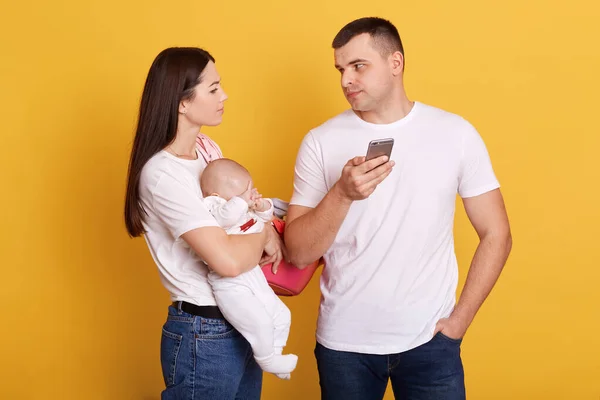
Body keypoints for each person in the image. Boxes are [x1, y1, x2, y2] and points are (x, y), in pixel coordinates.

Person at [284, 17, 513, 400]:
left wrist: (460, 321)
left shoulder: (454, 133)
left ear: (395, 63)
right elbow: (297, 251)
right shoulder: (320, 142)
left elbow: (497, 234)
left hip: (430, 343)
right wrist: (342, 193)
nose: (345, 80)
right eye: (341, 69)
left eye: (358, 66)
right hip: (344, 345)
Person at [123, 47, 285, 400]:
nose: (223, 95)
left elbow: (236, 218)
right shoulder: (162, 174)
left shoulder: (208, 149)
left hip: (240, 320)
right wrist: (263, 228)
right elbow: (226, 261)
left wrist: (260, 226)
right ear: (182, 102)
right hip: (204, 331)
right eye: (213, 89)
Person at [200, 158, 298, 380]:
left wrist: (262, 206)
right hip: (230, 283)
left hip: (252, 274)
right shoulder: (213, 207)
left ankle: (275, 353)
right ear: (217, 195)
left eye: (250, 188)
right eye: (243, 191)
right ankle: (267, 360)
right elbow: (225, 218)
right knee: (260, 322)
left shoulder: (243, 209)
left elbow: (265, 218)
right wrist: (241, 202)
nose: (250, 195)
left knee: (282, 315)